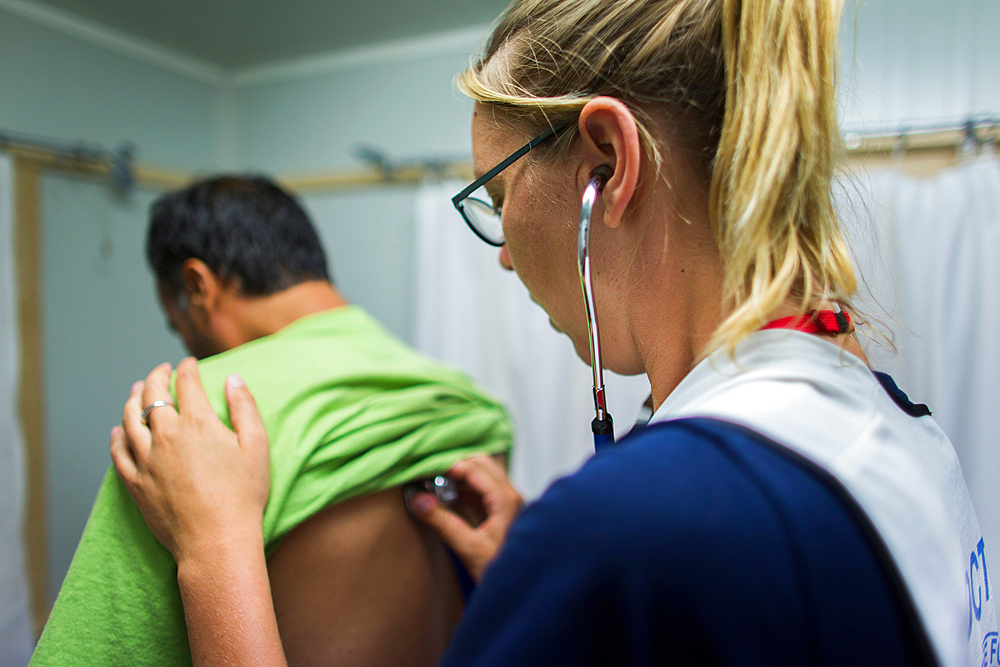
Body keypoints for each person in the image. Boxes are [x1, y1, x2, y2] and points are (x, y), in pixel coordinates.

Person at [112, 0, 996, 665]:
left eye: (497, 200)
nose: (501, 257)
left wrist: (215, 545)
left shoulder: (635, 525)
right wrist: (559, 596)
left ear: (606, 165)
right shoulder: (901, 426)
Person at [31, 176, 512, 666]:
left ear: (197, 285)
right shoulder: (462, 399)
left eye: (179, 327)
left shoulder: (194, 422)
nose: (188, 345)